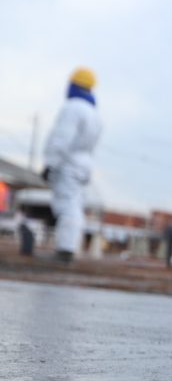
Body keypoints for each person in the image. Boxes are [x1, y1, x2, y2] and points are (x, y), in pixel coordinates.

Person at [43, 67, 102, 263]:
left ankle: (65, 250)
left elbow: (62, 137)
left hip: (68, 163)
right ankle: (68, 247)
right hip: (84, 164)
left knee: (66, 206)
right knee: (75, 205)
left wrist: (50, 164)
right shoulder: (94, 113)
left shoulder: (73, 108)